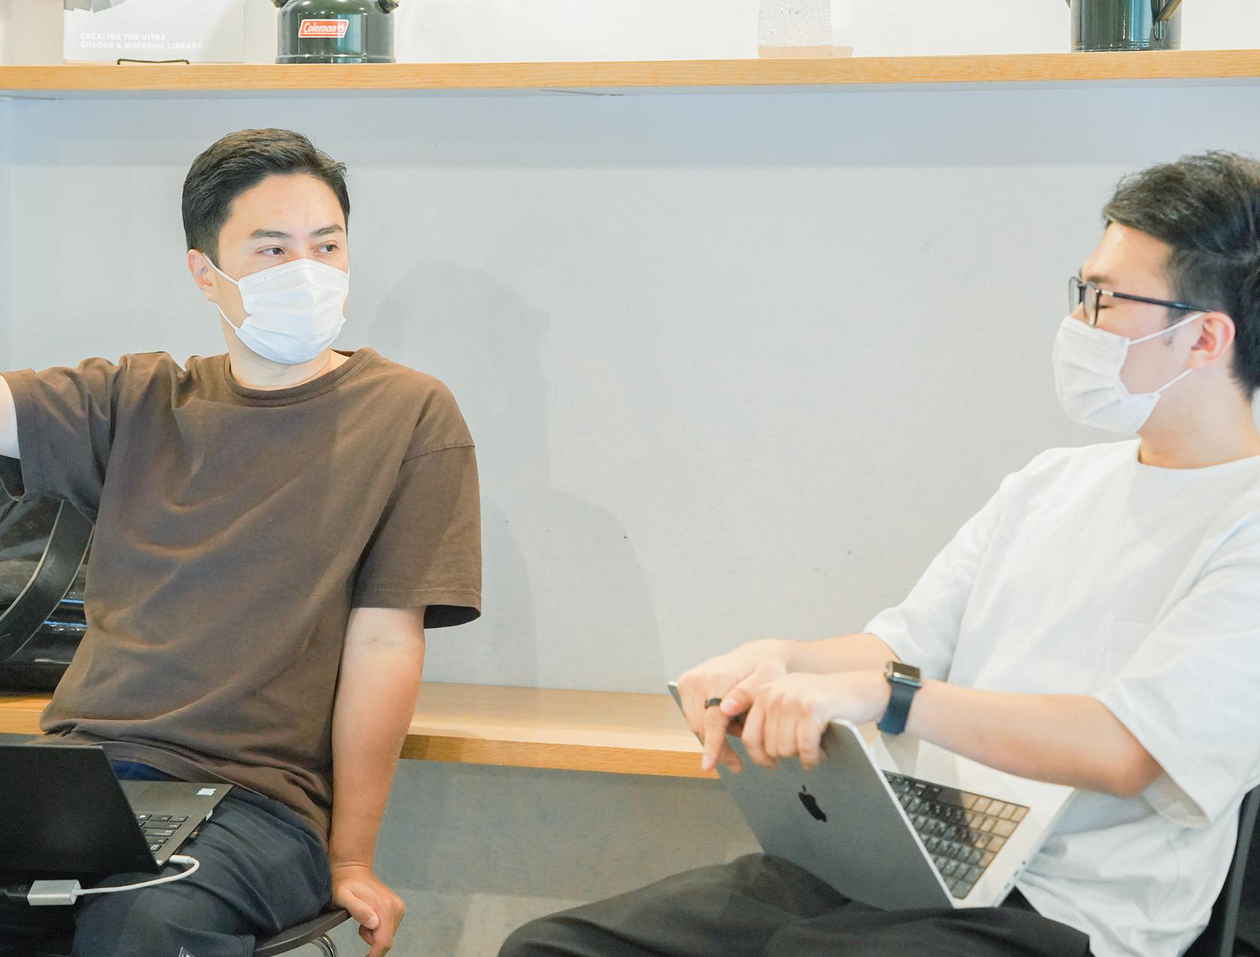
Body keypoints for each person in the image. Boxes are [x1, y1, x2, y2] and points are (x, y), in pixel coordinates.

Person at [500, 151, 1260, 957]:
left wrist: (890, 698)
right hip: (912, 867)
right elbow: (899, 645)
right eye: (1081, 290)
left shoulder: (1243, 522)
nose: (1079, 322)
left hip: (1062, 912)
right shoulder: (1050, 484)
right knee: (551, 948)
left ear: (1204, 337)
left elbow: (1125, 748)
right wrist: (780, 660)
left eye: (1105, 299)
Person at [0, 128, 481, 957]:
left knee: (136, 928)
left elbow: (386, 643)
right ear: (206, 273)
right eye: (272, 248)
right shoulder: (139, 396)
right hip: (82, 781)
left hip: (257, 802)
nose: (306, 270)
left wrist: (350, 857)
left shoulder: (411, 414)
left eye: (327, 245)